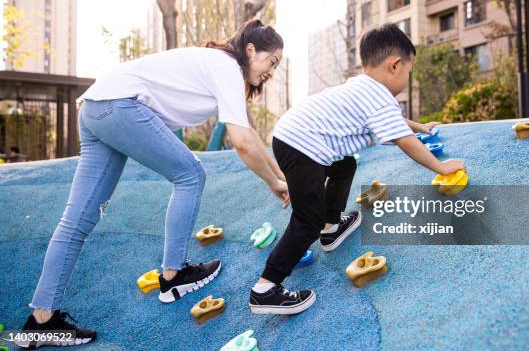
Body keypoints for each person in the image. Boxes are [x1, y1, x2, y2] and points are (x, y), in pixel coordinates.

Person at [16, 19, 289, 349]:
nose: (270, 71)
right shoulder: (227, 66)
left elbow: (252, 138)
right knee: (191, 174)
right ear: (250, 50)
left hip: (95, 107)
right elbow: (242, 142)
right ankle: (174, 276)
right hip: (121, 105)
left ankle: (40, 320)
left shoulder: (219, 67)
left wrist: (279, 177)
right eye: (271, 61)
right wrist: (273, 183)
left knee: (77, 220)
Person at [248, 24, 466, 315]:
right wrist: (439, 165)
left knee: (344, 164)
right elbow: (404, 141)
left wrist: (420, 126)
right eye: (408, 72)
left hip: (291, 136)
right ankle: (266, 288)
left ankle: (332, 226)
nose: (406, 79)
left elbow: (397, 123)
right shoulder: (379, 98)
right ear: (395, 65)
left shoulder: (363, 87)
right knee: (306, 220)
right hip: (303, 147)